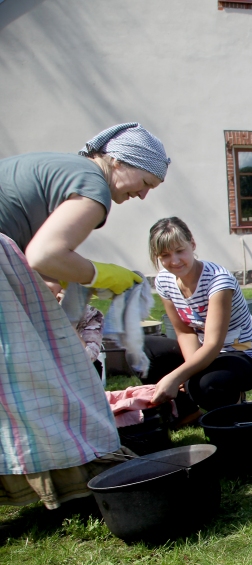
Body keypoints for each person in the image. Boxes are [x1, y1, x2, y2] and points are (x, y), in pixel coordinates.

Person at [0, 122, 170, 509]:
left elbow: (35, 264)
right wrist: (101, 274)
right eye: (146, 182)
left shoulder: (61, 170)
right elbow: (45, 255)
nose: (142, 195)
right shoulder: (93, 185)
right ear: (118, 161)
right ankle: (69, 472)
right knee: (35, 380)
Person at [142, 218, 252, 413]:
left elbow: (213, 344)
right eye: (165, 255)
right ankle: (183, 412)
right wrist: (190, 372)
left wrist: (178, 376)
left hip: (239, 353)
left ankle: (233, 403)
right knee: (141, 349)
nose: (174, 261)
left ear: (192, 244)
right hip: (201, 350)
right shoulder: (164, 281)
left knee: (207, 385)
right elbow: (184, 333)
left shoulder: (218, 281)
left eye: (180, 250)